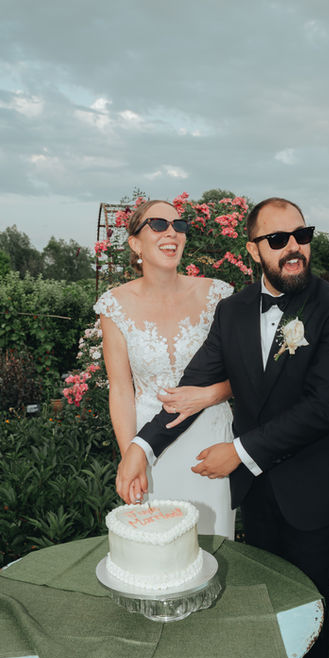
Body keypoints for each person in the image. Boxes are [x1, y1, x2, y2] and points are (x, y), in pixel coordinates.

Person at [116, 197, 329, 658]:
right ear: (254, 249)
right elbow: (191, 389)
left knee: (307, 615)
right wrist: (142, 445)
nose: (293, 247)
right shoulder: (232, 312)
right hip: (258, 495)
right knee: (264, 611)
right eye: (277, 240)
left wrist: (241, 452)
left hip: (314, 491)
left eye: (300, 234)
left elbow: (325, 407)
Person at [95, 199, 236, 539]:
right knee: (157, 549)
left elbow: (246, 373)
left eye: (179, 226)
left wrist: (209, 395)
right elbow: (121, 388)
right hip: (151, 448)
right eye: (158, 225)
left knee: (213, 547)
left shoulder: (217, 294)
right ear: (135, 243)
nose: (172, 232)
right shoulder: (114, 305)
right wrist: (133, 453)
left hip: (211, 443)